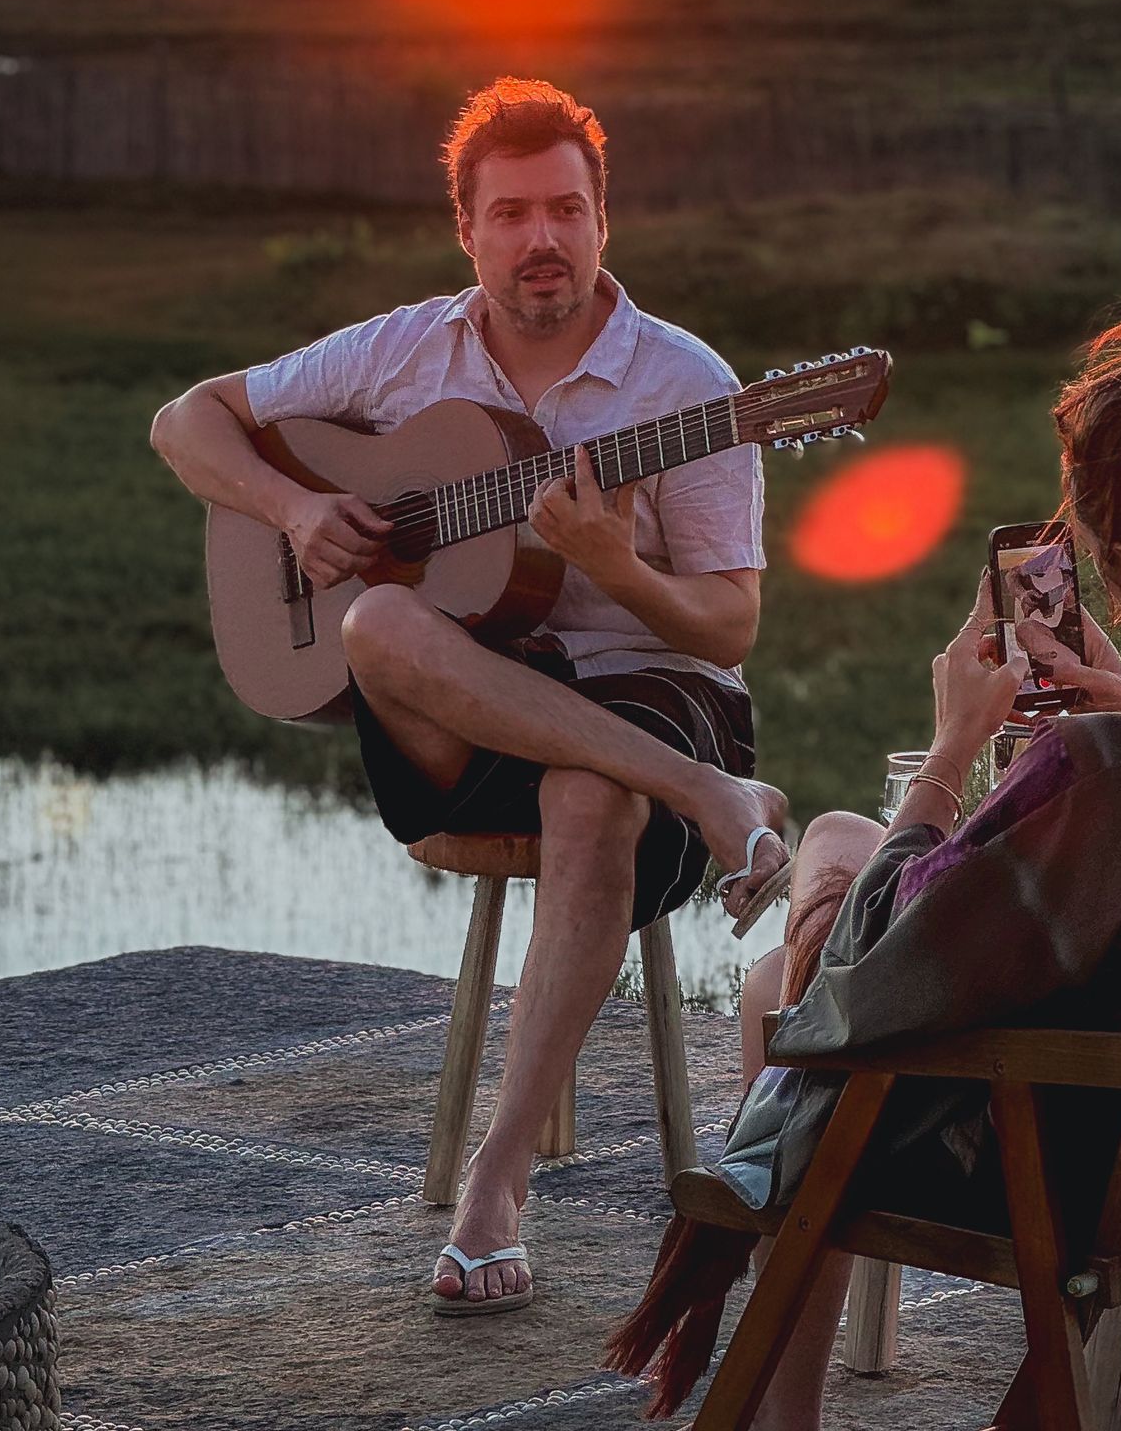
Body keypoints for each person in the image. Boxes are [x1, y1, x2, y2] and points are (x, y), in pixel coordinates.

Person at [608, 291, 1121, 1426]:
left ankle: (782, 1411)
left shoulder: (1111, 776)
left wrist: (953, 748)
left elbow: (881, 979)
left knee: (798, 961)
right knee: (836, 859)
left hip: (1049, 1159)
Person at [150, 76, 789, 1318]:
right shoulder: (402, 351)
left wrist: (611, 564)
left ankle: (493, 1188)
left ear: (606, 219)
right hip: (468, 698)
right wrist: (294, 507)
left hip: (652, 684)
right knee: (382, 614)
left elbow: (732, 620)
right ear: (468, 230)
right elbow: (187, 422)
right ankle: (719, 801)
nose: (539, 239)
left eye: (564, 209)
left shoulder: (687, 386)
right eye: (510, 214)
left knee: (590, 798)